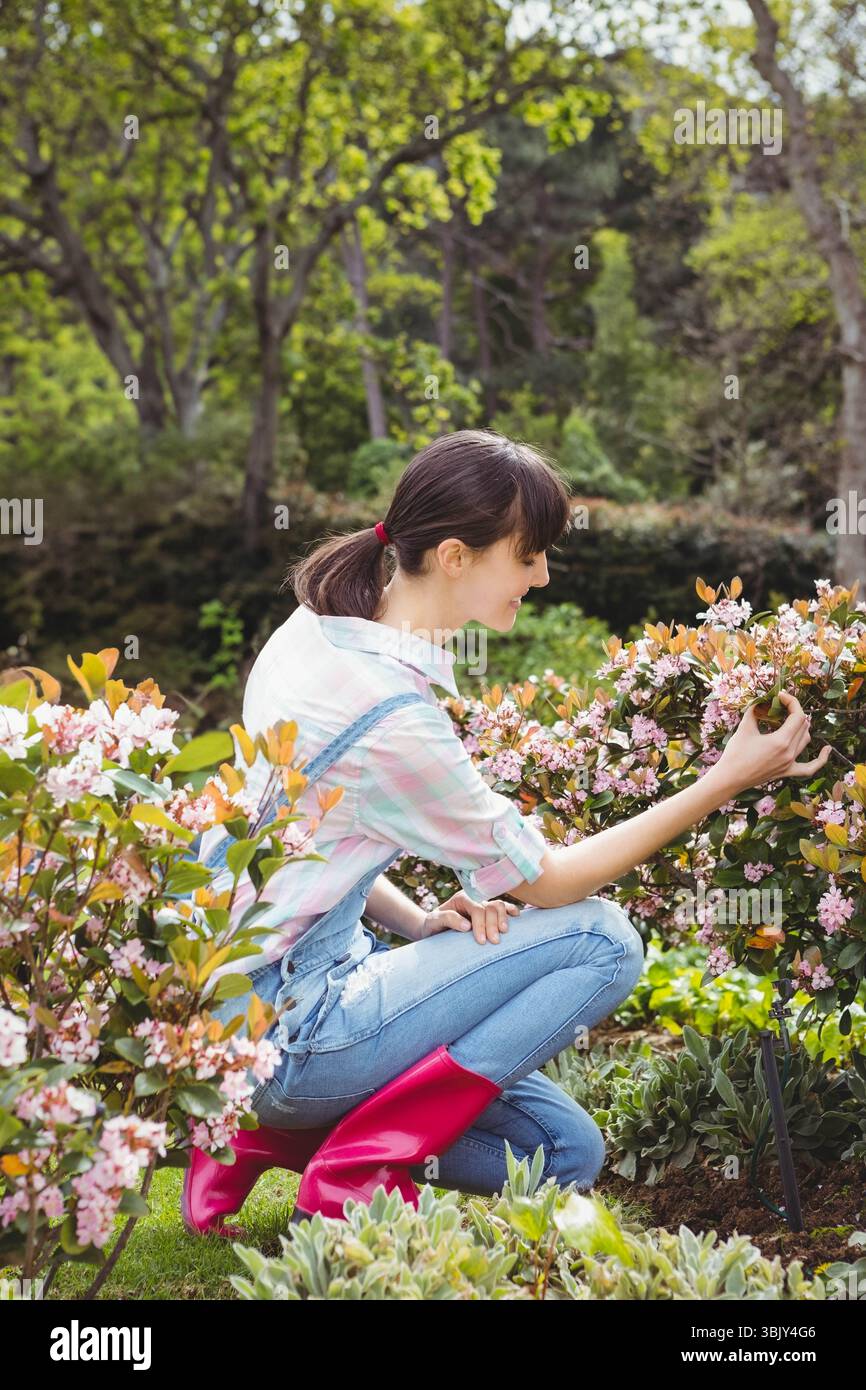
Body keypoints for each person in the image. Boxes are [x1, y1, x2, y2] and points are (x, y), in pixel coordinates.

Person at [182, 428, 831, 1235]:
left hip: (248, 1009)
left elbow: (307, 840)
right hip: (299, 1026)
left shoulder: (313, 631)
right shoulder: (391, 713)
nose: (544, 575)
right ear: (455, 556)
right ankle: (359, 1164)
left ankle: (265, 1132)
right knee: (603, 939)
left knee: (565, 1154)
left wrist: (417, 922)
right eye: (528, 555)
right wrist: (726, 778)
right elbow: (553, 882)